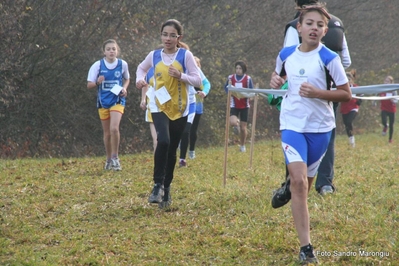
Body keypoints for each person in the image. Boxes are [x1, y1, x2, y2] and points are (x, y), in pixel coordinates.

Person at [269, 4, 351, 264]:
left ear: (325, 31)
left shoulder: (329, 59)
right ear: (299, 27)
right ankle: (306, 247)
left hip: (320, 128)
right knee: (300, 183)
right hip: (292, 124)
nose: (314, 28)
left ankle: (288, 189)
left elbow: (345, 94)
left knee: (305, 182)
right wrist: (275, 81)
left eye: (319, 25)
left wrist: (318, 93)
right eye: (309, 23)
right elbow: (279, 77)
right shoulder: (285, 54)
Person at [136, 19, 201, 208]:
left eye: (173, 35)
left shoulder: (185, 55)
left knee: (172, 149)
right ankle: (157, 185)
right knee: (162, 140)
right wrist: (140, 80)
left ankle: (166, 189)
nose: (168, 38)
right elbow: (141, 68)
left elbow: (197, 80)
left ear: (179, 38)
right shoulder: (154, 55)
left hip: (180, 107)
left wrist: (181, 76)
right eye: (165, 34)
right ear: (161, 35)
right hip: (158, 104)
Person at [87, 39, 130, 171]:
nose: (111, 51)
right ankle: (108, 159)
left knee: (114, 129)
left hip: (117, 100)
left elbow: (127, 78)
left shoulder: (122, 64)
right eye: (109, 49)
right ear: (104, 52)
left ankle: (116, 158)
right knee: (107, 133)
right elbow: (89, 85)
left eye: (114, 49)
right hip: (103, 102)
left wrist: (124, 88)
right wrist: (98, 82)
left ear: (117, 51)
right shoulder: (97, 66)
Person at [179, 56, 211, 167]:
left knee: (190, 130)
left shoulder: (196, 71)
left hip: (195, 103)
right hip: (177, 103)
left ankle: (188, 153)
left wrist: (204, 92)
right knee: (178, 129)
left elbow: (206, 83)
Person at [224, 60, 254, 152]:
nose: (238, 70)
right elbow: (226, 88)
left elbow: (251, 91)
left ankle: (242, 145)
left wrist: (249, 96)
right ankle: (236, 124)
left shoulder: (248, 79)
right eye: (236, 68)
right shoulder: (230, 77)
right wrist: (230, 91)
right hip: (234, 103)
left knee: (243, 128)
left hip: (245, 105)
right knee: (232, 122)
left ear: (243, 69)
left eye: (240, 68)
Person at [340, 71, 361, 147]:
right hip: (344, 108)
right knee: (346, 124)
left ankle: (352, 141)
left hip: (354, 107)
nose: (348, 81)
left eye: (349, 79)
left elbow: (361, 93)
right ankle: (351, 139)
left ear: (352, 80)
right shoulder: (342, 88)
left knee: (349, 122)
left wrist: (359, 101)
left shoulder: (355, 87)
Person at [140, 67, 157, 153]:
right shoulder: (149, 69)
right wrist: (143, 100)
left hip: (167, 108)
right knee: (156, 139)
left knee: (165, 139)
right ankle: (158, 163)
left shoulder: (170, 65)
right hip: (152, 107)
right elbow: (145, 85)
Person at [379, 75, 397, 143]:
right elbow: (377, 96)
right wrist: (374, 102)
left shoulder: (393, 90)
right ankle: (385, 126)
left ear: (391, 83)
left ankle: (390, 139)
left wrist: (393, 100)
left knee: (391, 125)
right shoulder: (381, 89)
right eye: (385, 81)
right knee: (383, 120)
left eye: (388, 81)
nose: (386, 82)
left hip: (392, 109)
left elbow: (396, 99)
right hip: (384, 108)